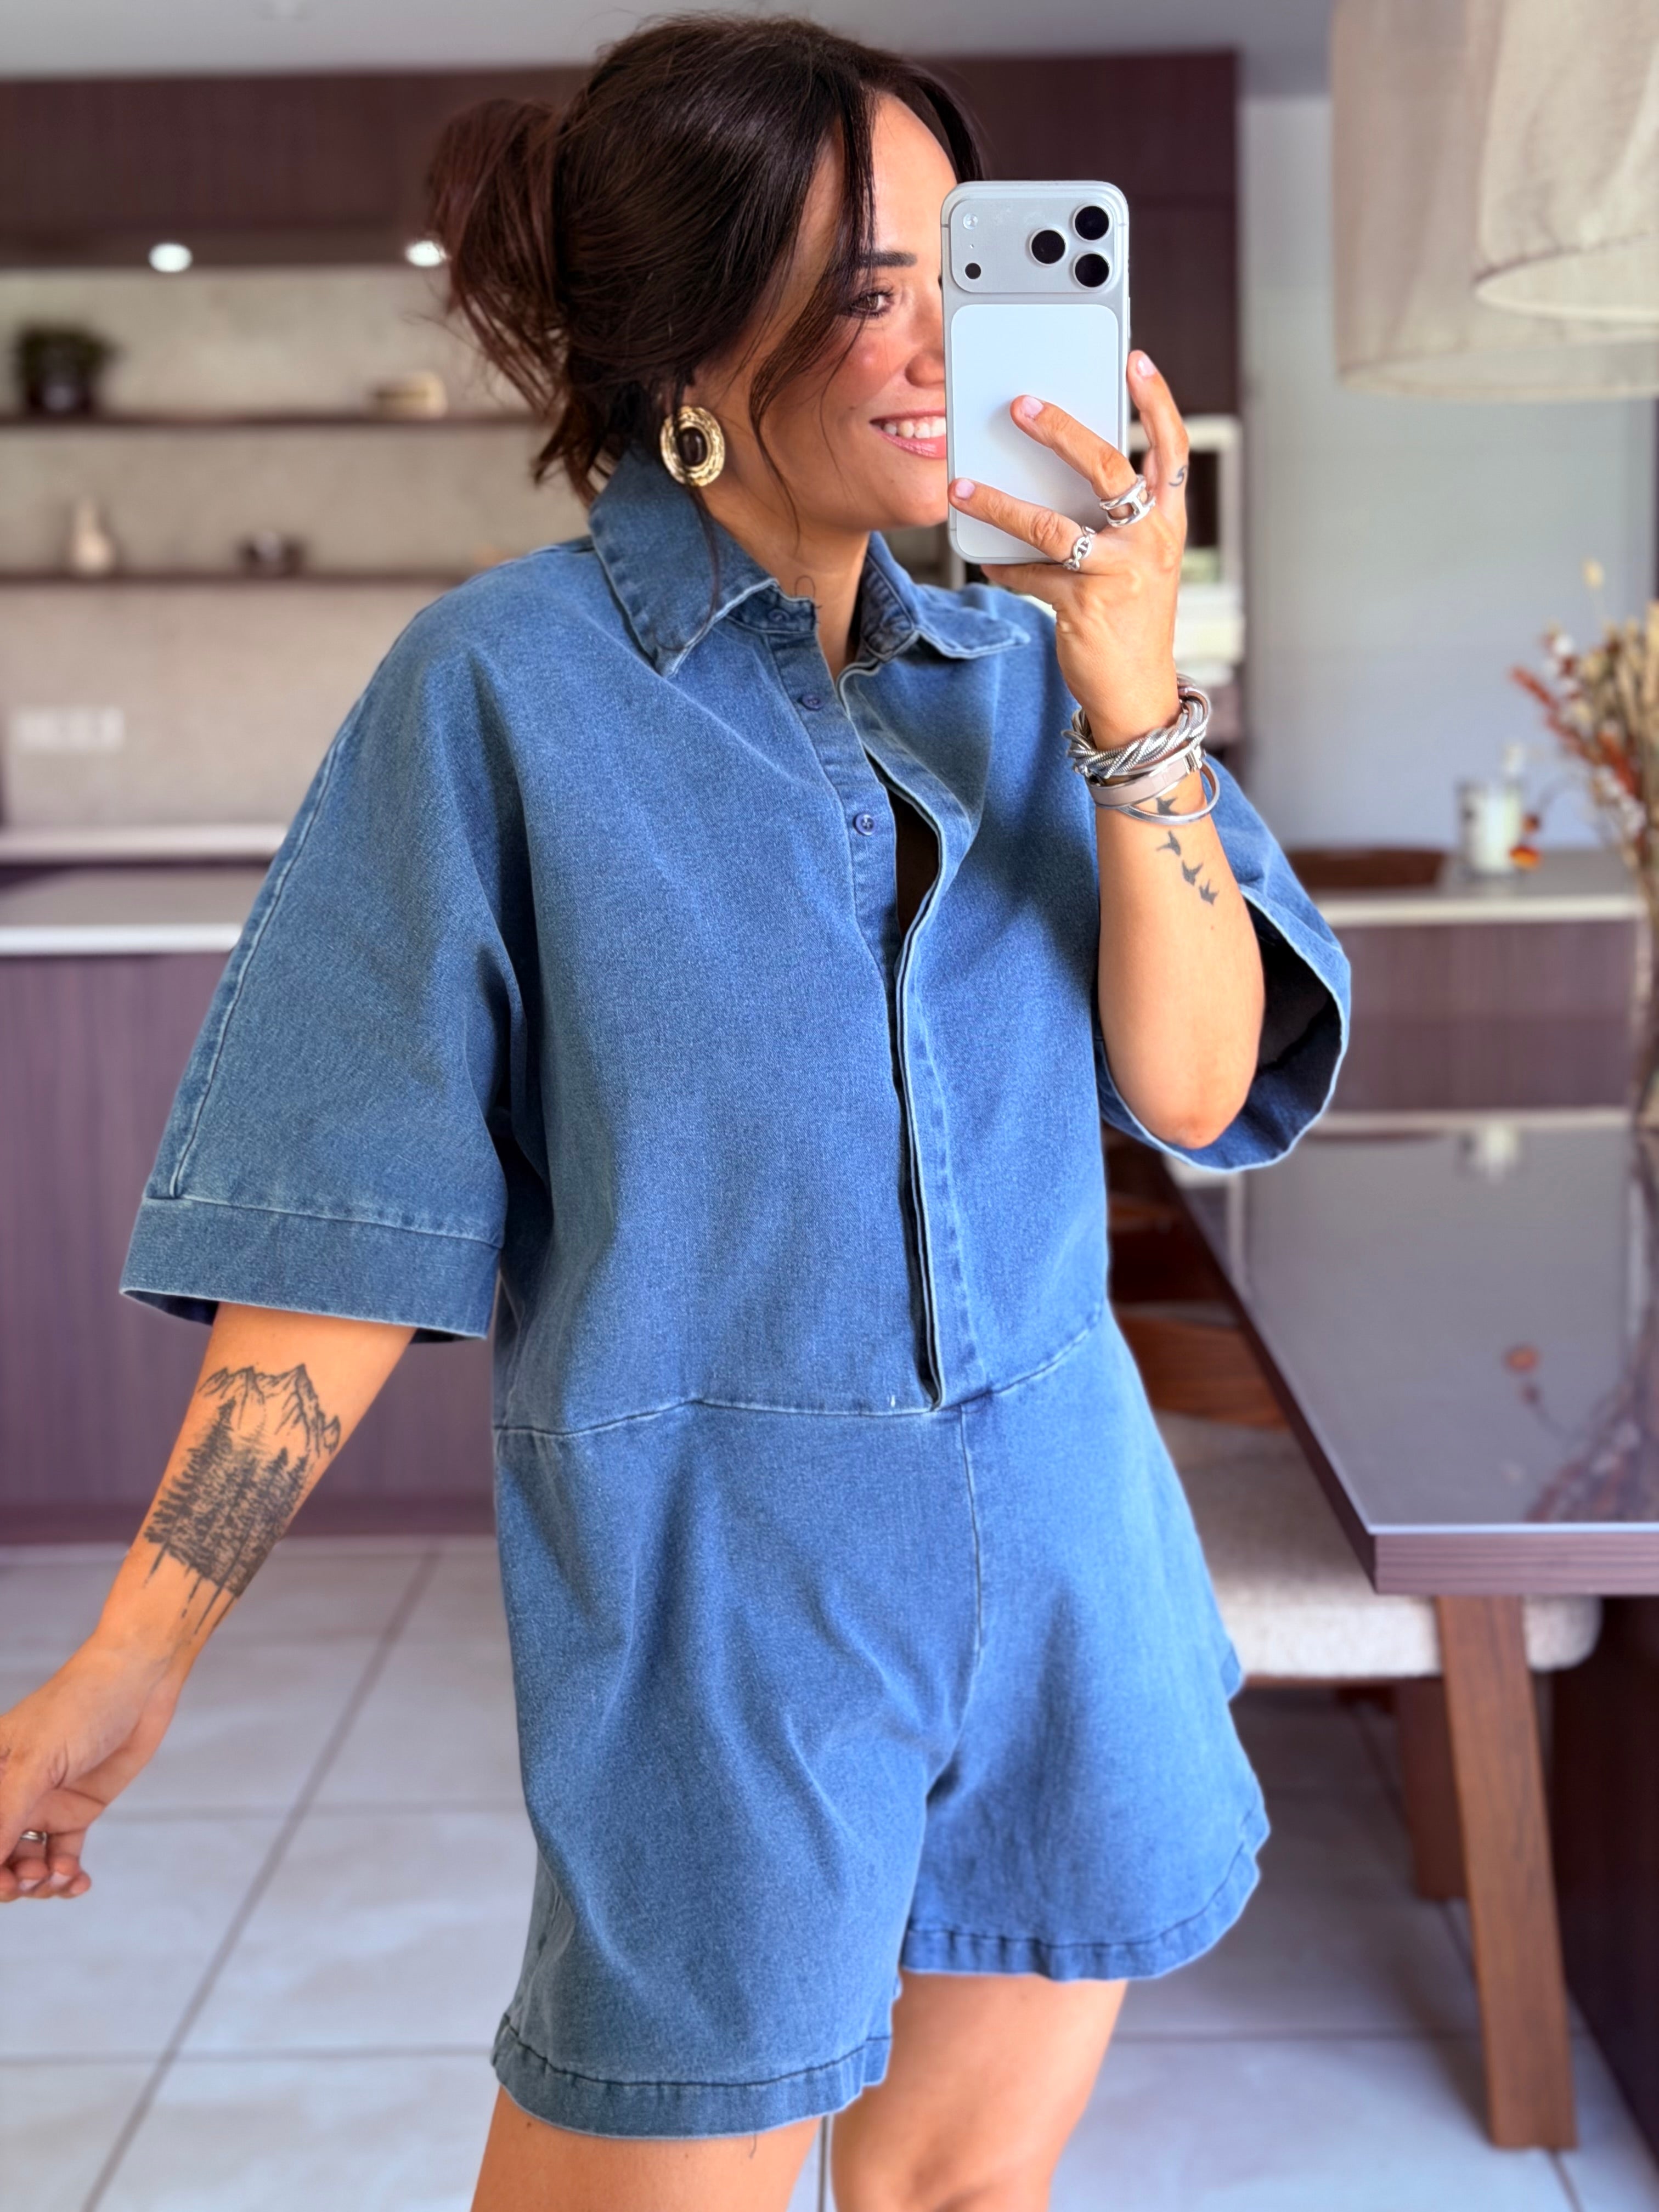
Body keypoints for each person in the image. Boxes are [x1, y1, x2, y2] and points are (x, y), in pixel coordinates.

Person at [0, 18, 1348, 2209]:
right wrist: (136, 1649)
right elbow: (342, 1224)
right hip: (724, 1612)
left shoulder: (1036, 685)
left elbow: (1196, 1090)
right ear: (691, 342)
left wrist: (1128, 679)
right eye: (869, 289)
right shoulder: (501, 694)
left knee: (963, 2193)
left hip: (1069, 1570)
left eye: (962, 272)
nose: (945, 347)